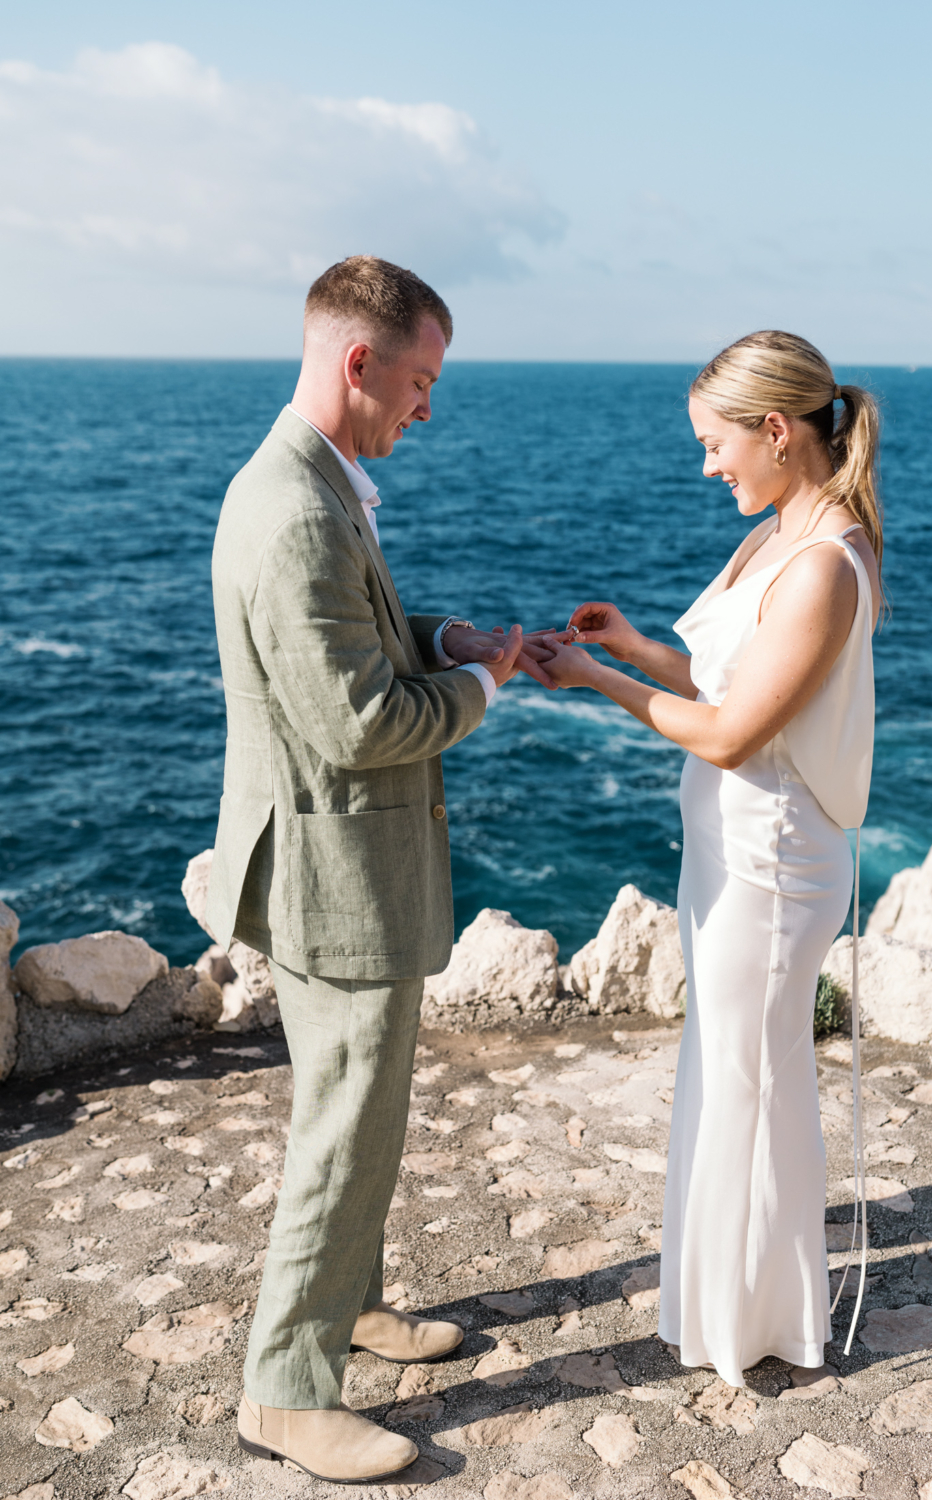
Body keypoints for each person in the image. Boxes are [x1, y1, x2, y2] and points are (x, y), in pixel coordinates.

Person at [205, 255, 550, 1484]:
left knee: (359, 1110)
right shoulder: (299, 509)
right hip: (335, 875)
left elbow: (350, 635)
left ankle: (354, 1306)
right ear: (362, 365)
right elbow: (360, 723)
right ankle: (285, 1393)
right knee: (344, 1128)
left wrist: (443, 637)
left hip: (327, 858)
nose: (427, 406)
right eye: (421, 381)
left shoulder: (309, 483)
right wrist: (485, 683)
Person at [538, 329, 880, 1387]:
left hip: (774, 865)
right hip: (732, 856)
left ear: (777, 431)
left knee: (752, 1079)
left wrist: (603, 683)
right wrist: (641, 649)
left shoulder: (825, 561)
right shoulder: (782, 529)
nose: (706, 465)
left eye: (714, 442)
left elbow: (733, 732)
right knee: (733, 1074)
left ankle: (758, 1325)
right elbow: (728, 677)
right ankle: (735, 1305)